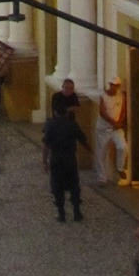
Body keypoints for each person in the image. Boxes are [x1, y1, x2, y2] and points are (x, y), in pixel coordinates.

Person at [42, 93, 90, 222]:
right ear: (66, 113)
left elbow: (46, 145)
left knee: (57, 186)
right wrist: (89, 149)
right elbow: (83, 138)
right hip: (70, 159)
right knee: (74, 185)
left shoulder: (50, 125)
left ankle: (61, 213)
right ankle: (76, 211)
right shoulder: (72, 124)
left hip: (56, 159)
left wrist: (44, 162)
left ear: (55, 113)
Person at [96, 75, 129, 185]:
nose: (113, 87)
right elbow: (102, 112)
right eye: (112, 85)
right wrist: (113, 122)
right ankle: (102, 178)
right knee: (101, 153)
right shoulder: (103, 95)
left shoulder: (121, 96)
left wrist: (119, 121)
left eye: (115, 85)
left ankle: (120, 167)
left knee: (123, 146)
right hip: (104, 128)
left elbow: (124, 110)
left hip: (116, 129)